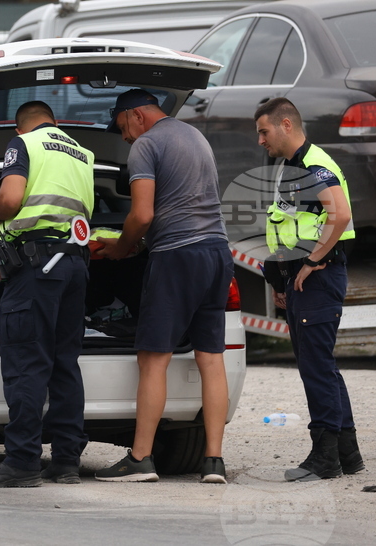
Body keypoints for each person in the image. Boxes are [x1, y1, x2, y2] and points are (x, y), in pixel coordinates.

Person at [94, 88, 232, 484]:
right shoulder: (195, 136)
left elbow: (142, 213)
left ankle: (140, 458)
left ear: (136, 115)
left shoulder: (147, 145)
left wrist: (122, 247)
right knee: (211, 358)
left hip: (177, 257)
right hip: (217, 252)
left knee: (154, 359)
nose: (124, 138)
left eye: (122, 127)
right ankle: (213, 462)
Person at [0, 101, 94, 488]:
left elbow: (9, 199)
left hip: (37, 267)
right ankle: (67, 461)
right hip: (74, 264)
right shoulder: (82, 153)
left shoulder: (23, 145)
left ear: (20, 128)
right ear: (55, 123)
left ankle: (22, 460)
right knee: (64, 363)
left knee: (26, 361)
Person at [254, 97, 363, 482]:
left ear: (286, 125)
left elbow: (342, 214)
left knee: (317, 369)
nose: (261, 141)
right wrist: (278, 277)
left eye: (264, 132)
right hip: (301, 280)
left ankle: (325, 457)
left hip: (318, 277)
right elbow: (289, 225)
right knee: (322, 368)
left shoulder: (315, 165)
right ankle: (347, 454)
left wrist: (315, 260)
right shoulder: (292, 167)